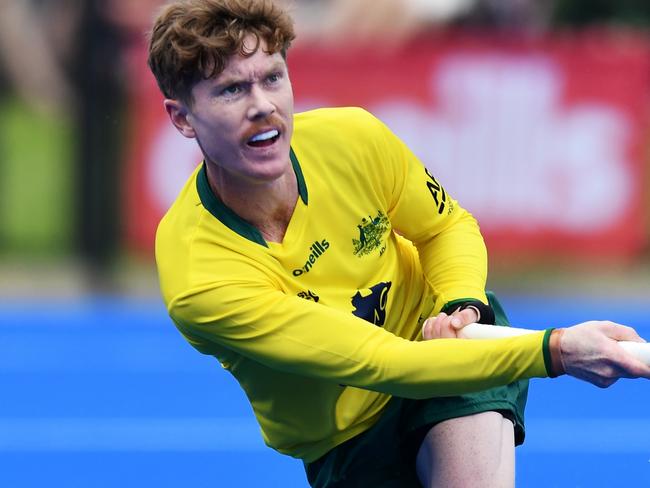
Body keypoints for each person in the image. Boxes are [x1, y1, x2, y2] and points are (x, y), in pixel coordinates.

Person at [148, 1, 650, 486]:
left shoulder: (352, 138)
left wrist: (461, 306)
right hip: (344, 440)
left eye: (272, 78)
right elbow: (378, 361)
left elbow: (445, 226)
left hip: (449, 357)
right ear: (183, 118)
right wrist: (560, 351)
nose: (263, 106)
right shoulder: (200, 276)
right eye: (232, 90)